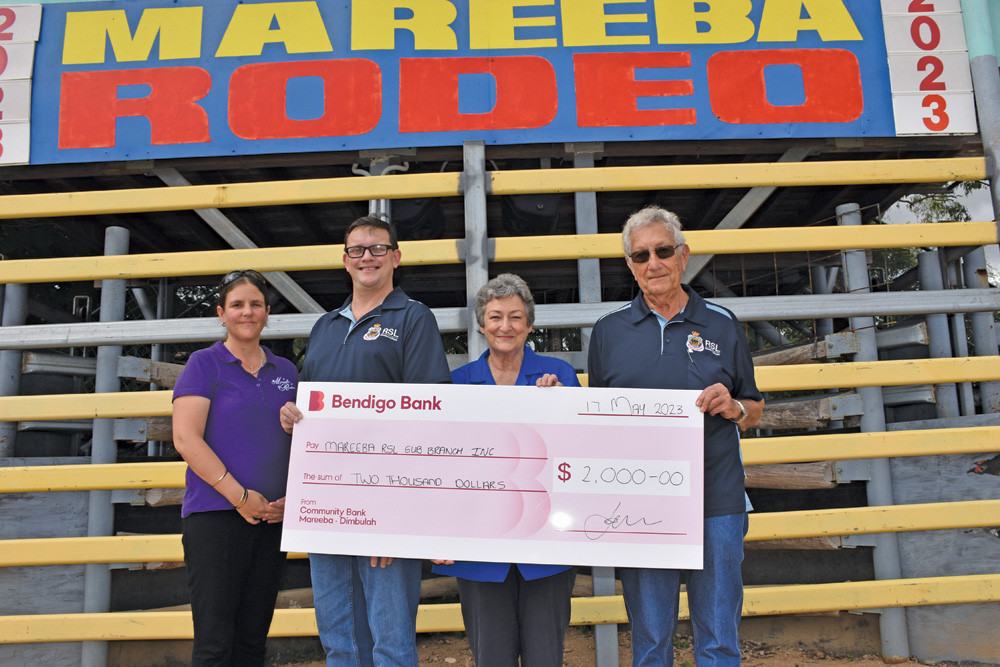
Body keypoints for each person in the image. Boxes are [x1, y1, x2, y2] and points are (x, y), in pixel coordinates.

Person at [587, 206, 764, 667]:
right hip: (641, 505)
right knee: (649, 644)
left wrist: (734, 406)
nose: (653, 263)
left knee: (719, 639)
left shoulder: (723, 323)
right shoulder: (608, 332)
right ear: (630, 265)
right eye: (641, 255)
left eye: (663, 251)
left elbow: (755, 408)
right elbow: (596, 420)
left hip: (716, 498)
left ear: (683, 256)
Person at [279, 215, 452, 667]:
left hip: (385, 508)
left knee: (390, 645)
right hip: (327, 506)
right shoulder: (324, 327)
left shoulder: (414, 318)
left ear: (396, 257)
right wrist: (291, 416)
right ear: (345, 260)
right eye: (357, 249)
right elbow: (311, 410)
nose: (367, 257)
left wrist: (390, 516)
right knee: (340, 641)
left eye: (378, 248)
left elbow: (429, 419)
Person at [432, 273, 580, 667]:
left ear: (529, 325)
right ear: (481, 326)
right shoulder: (456, 384)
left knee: (545, 657)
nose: (505, 326)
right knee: (491, 657)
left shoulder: (559, 376)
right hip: (478, 550)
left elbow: (581, 451)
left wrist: (563, 408)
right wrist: (436, 532)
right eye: (495, 316)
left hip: (546, 547)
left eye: (516, 317)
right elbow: (440, 466)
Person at [172, 269, 299, 666]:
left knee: (252, 642)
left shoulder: (287, 373)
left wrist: (287, 501)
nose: (248, 312)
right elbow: (186, 439)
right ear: (221, 314)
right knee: (215, 643)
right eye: (238, 305)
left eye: (256, 304)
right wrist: (240, 497)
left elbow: (302, 444)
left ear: (266, 314)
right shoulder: (204, 363)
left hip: (270, 519)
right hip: (216, 517)